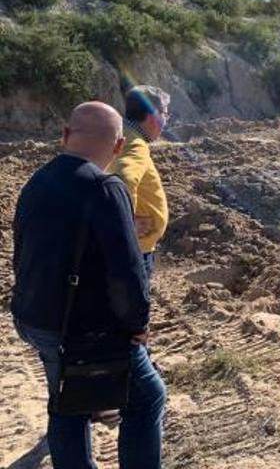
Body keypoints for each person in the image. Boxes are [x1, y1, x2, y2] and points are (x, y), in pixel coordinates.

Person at [11, 102, 165, 469]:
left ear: (65, 136)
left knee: (67, 402)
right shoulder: (106, 189)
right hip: (84, 328)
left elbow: (21, 250)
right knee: (147, 399)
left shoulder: (37, 181)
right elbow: (126, 272)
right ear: (117, 147)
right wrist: (136, 324)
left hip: (37, 320)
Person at [111, 85, 170, 280]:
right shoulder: (135, 145)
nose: (166, 120)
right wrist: (126, 226)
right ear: (154, 116)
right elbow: (123, 179)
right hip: (135, 248)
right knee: (133, 305)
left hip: (133, 245)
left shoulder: (123, 134)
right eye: (165, 114)